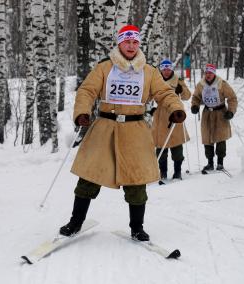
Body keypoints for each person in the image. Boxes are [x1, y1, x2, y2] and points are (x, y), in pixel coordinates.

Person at [59, 25, 186, 241]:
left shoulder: (149, 71)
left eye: (135, 42)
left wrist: (176, 108)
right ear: (119, 43)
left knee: (137, 180)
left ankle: (137, 228)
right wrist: (82, 112)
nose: (131, 45)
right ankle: (75, 222)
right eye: (127, 41)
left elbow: (164, 92)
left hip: (135, 131)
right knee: (89, 176)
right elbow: (87, 90)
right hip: (104, 128)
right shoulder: (105, 68)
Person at [190, 64, 237, 171]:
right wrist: (194, 106)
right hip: (207, 113)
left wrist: (231, 111)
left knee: (221, 138)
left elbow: (232, 98)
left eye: (210, 73)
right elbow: (196, 97)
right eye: (206, 73)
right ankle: (210, 162)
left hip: (220, 113)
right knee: (207, 139)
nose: (208, 75)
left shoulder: (221, 84)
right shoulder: (201, 85)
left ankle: (220, 162)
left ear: (214, 73)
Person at [151, 59, 191, 181]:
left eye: (168, 69)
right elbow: (149, 96)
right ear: (161, 69)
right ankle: (163, 172)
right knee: (160, 146)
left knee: (176, 144)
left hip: (175, 115)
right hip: (159, 116)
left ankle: (177, 171)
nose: (166, 71)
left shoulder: (177, 80)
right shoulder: (156, 80)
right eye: (164, 69)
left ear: (171, 69)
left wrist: (181, 88)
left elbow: (187, 96)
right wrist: (151, 109)